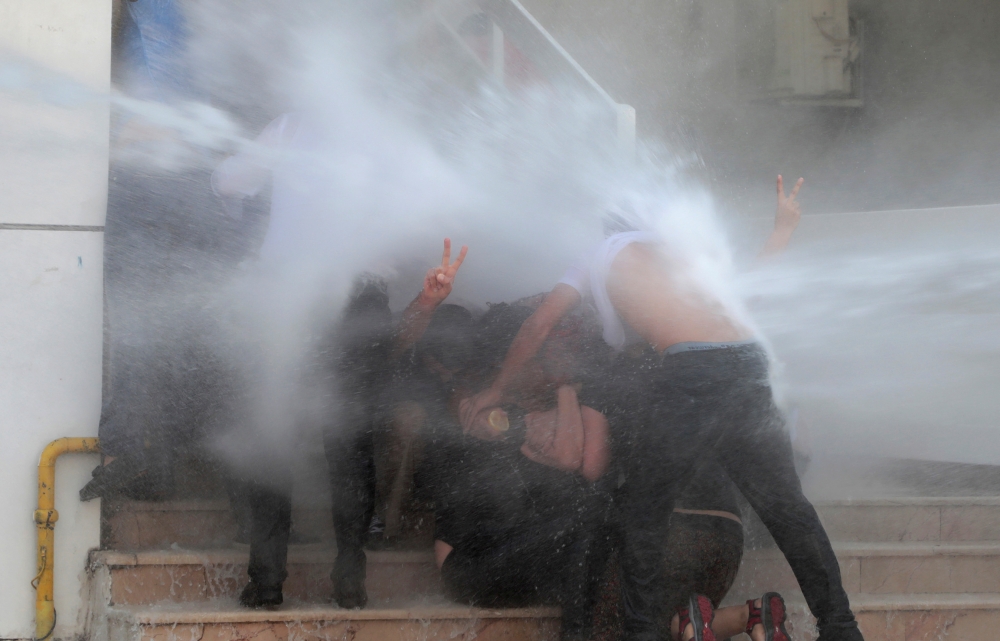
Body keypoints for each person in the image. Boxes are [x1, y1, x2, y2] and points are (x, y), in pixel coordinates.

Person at [461, 176, 863, 641]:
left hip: (693, 372)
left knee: (645, 509)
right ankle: (841, 627)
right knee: (789, 510)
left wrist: (495, 389)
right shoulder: (682, 253)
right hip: (749, 365)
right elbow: (747, 294)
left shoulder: (600, 253)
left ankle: (641, 632)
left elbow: (538, 325)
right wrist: (781, 231)